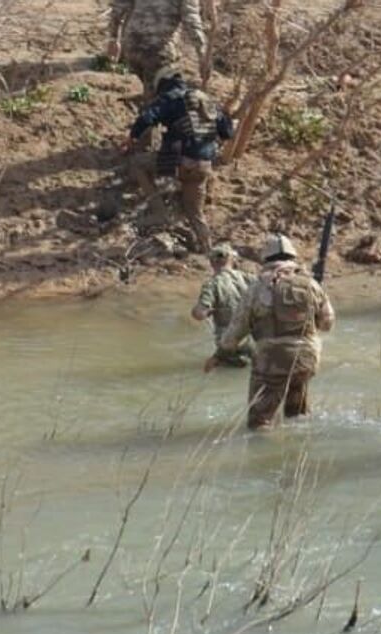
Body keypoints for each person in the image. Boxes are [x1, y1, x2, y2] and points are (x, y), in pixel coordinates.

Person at [209, 234, 334, 430]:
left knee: (259, 422)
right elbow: (327, 324)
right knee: (297, 416)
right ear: (292, 257)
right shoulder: (311, 284)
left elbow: (236, 330)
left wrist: (220, 354)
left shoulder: (257, 288)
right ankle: (298, 456)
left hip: (271, 362)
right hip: (306, 360)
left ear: (265, 259)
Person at [120, 66, 232, 254]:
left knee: (138, 164)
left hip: (179, 162)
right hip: (203, 166)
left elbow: (147, 118)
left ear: (164, 83)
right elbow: (227, 132)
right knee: (195, 213)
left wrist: (131, 139)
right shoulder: (207, 99)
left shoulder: (171, 97)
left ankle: (160, 212)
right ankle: (209, 252)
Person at [106, 0, 207, 97]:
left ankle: (148, 99)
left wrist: (114, 38)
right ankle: (150, 103)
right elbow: (191, 19)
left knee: (152, 89)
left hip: (132, 46)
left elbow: (118, 7)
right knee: (162, 97)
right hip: (158, 52)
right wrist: (202, 53)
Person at [192, 243, 253, 367]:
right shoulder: (248, 278)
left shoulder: (212, 284)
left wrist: (202, 311)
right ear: (232, 259)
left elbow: (199, 314)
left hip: (229, 342)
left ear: (211, 262)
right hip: (253, 338)